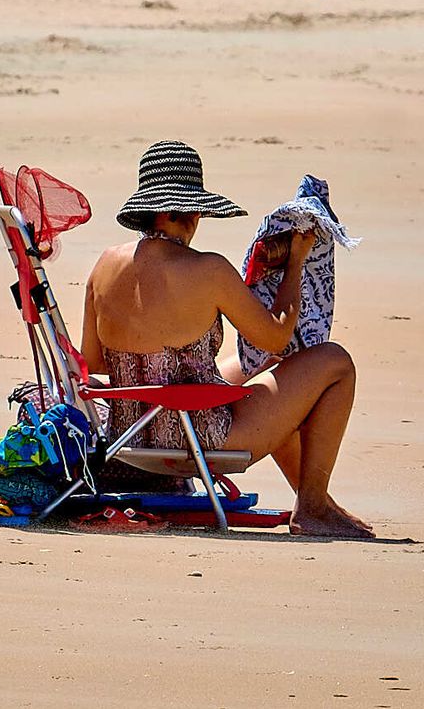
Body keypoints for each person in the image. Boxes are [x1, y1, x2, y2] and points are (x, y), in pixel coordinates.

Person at [83, 140, 372, 538]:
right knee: (335, 363)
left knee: (266, 370)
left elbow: (93, 362)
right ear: (178, 210)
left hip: (130, 431)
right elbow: (276, 335)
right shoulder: (208, 270)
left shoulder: (104, 265)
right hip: (197, 435)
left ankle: (313, 497)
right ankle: (313, 504)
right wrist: (295, 264)